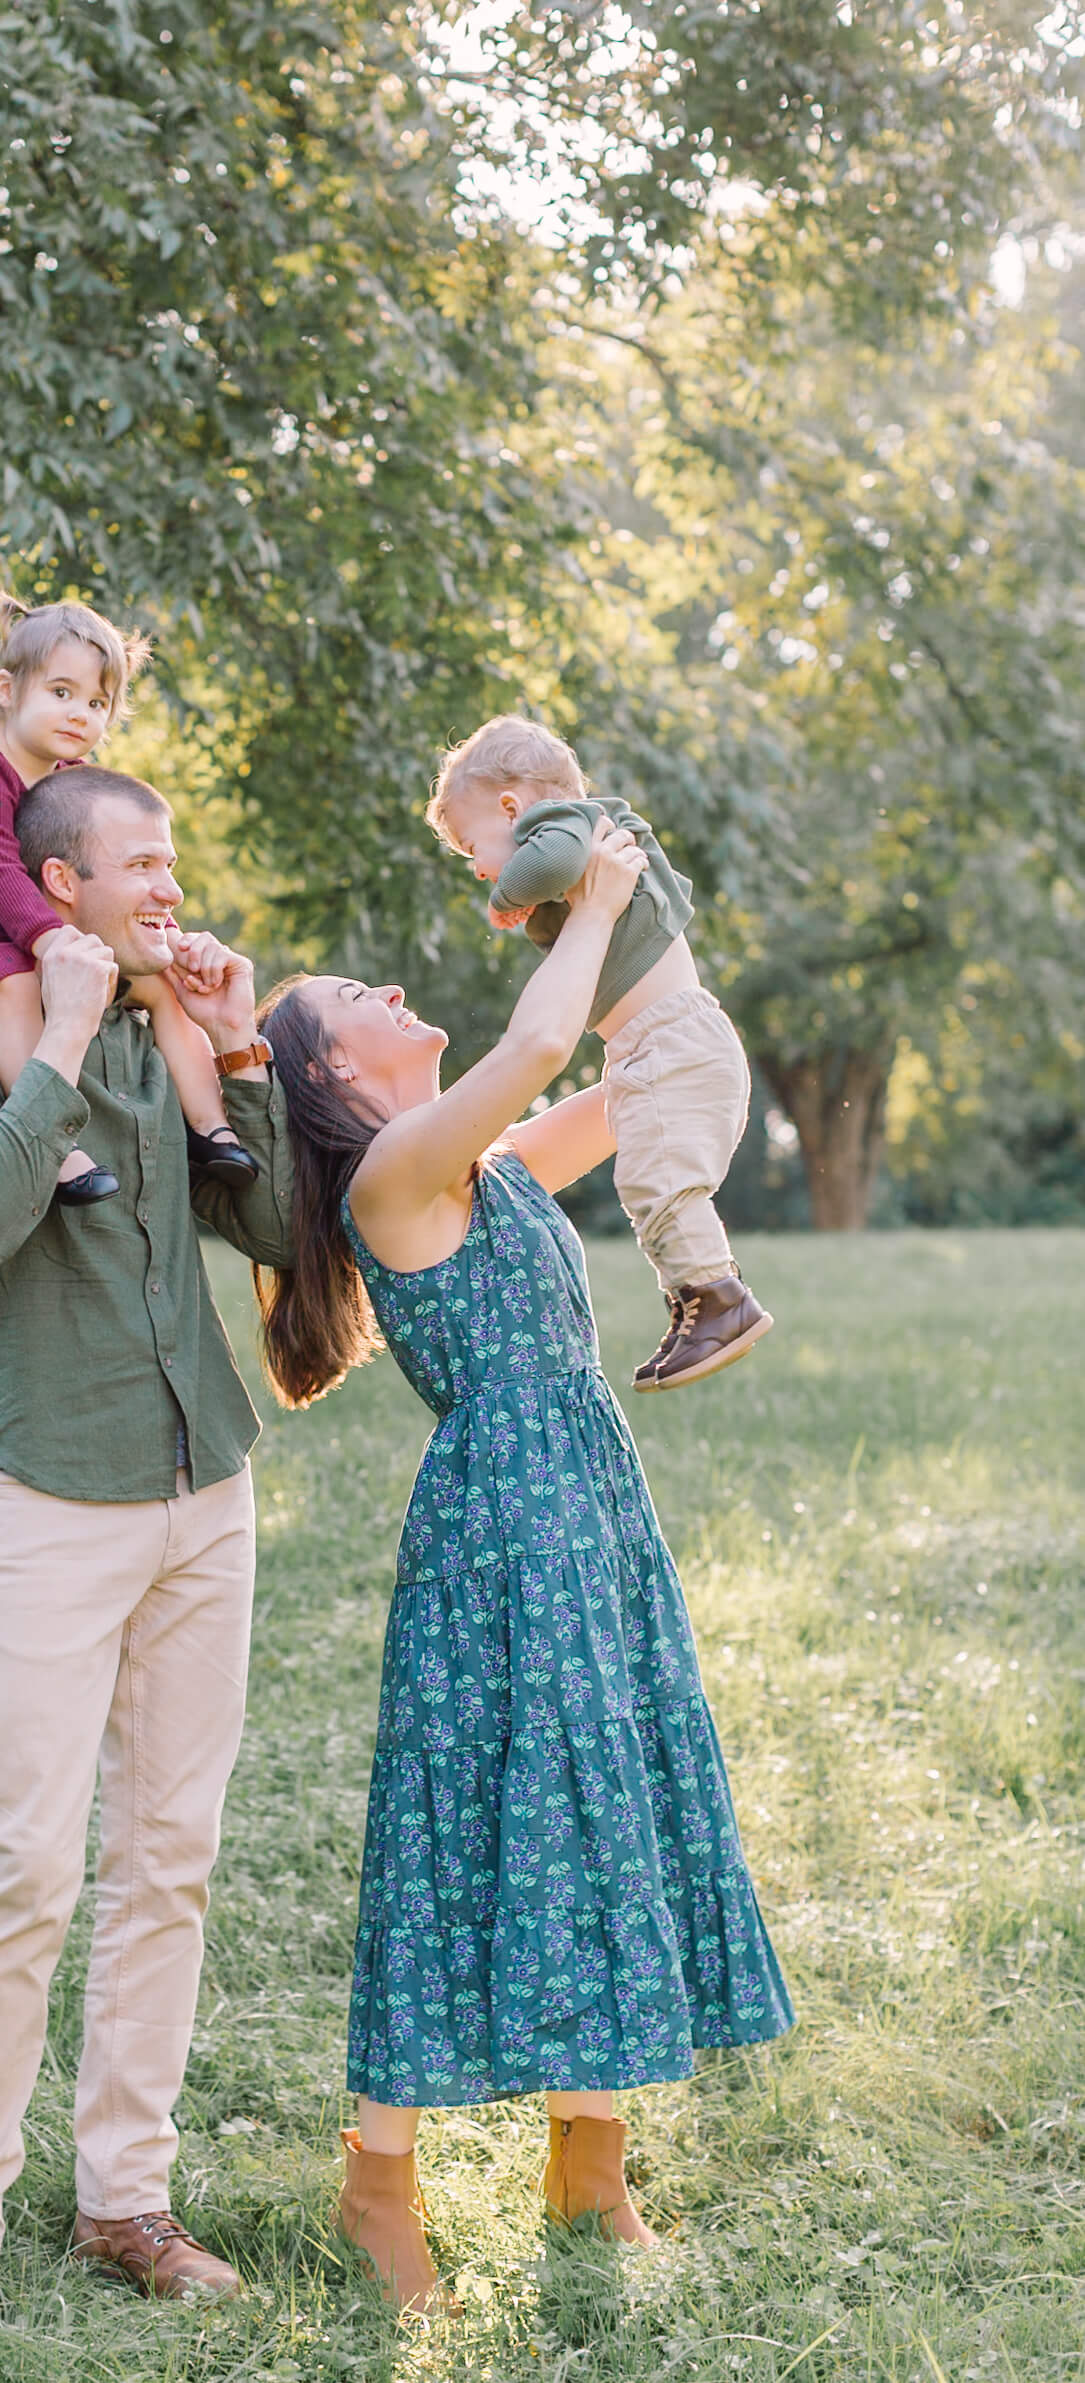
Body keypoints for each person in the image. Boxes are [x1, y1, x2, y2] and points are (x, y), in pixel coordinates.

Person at [251, 816, 795, 2317]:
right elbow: (545, 1035)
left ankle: (590, 2163)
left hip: (587, 1506)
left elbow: (621, 1080)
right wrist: (600, 887)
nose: (385, 987)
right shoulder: (397, 1176)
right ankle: (377, 2186)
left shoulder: (478, 1167)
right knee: (467, 1827)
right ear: (330, 1070)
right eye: (354, 991)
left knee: (600, 1804)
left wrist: (659, 969)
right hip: (501, 1529)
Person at [0, 765, 295, 2348]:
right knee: (24, 1873)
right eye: (142, 860)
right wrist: (52, 1040)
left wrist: (243, 1038)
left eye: (176, 853)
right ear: (60, 887)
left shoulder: (174, 1031)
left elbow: (273, 1235)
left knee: (169, 1859)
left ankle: (125, 2196)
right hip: (46, 1490)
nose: (170, 882)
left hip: (205, 1490)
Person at [428, 714, 771, 1392]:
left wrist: (507, 894)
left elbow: (546, 862)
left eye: (474, 846)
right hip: (659, 1044)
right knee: (649, 1183)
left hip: (670, 1040)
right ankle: (693, 1301)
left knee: (658, 1181)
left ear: (512, 807)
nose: (476, 868)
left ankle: (721, 1302)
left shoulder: (566, 826)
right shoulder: (579, 839)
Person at [0, 590, 255, 1205]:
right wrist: (56, 940)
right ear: (8, 691)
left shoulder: (68, 781)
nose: (79, 714)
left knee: (161, 984)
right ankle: (55, 1147)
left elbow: (104, 872)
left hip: (26, 924)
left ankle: (210, 1128)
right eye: (60, 693)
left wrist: (165, 939)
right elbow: (0, 875)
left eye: (96, 702)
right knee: (14, 984)